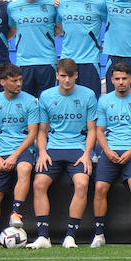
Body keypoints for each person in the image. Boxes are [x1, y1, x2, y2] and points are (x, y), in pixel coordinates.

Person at [28, 58, 99, 249]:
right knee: (39, 183)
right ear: (57, 76)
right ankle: (43, 236)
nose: (66, 80)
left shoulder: (88, 95)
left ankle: (70, 235)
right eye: (63, 76)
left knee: (82, 183)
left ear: (76, 75)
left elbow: (92, 129)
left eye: (70, 76)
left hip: (77, 148)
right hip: (53, 149)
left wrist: (86, 154)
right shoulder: (46, 96)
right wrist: (42, 152)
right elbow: (42, 130)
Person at [91, 63, 131, 248]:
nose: (121, 82)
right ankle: (99, 234)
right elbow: (99, 130)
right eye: (117, 79)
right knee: (100, 187)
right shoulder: (104, 101)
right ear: (111, 80)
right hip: (110, 152)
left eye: (124, 78)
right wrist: (107, 151)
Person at [0, 63, 39, 249]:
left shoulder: (30, 101)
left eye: (20, 80)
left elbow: (32, 134)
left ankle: (16, 214)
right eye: (14, 81)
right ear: (3, 82)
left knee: (25, 168)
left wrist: (15, 156)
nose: (19, 84)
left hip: (21, 151)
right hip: (1, 152)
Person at [6, 0, 58, 97]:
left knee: (47, 105)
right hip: (24, 63)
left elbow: (59, 29)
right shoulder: (13, 7)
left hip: (47, 62)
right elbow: (12, 29)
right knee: (26, 105)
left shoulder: (52, 5)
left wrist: (45, 36)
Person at [56, 0, 107, 94]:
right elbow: (57, 29)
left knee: (91, 104)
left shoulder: (99, 3)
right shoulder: (61, 3)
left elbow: (112, 25)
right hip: (67, 60)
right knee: (66, 105)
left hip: (90, 61)